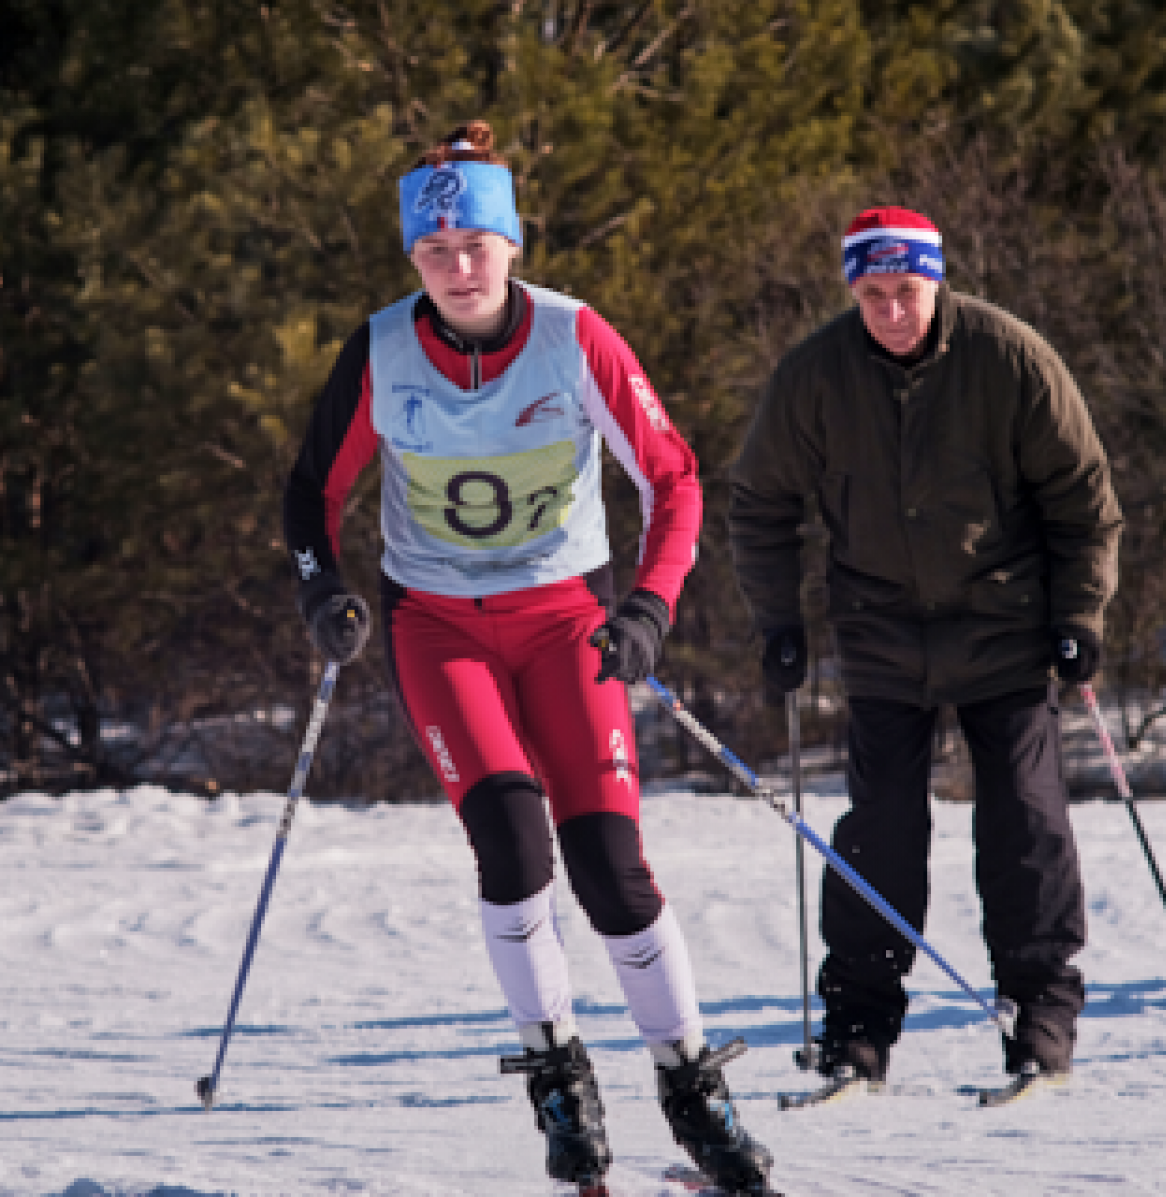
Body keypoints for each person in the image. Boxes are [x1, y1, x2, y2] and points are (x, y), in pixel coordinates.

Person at [282, 121, 775, 1194]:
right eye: (435, 251)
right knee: (511, 846)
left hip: (566, 622)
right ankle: (557, 1073)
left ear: (512, 245)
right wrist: (324, 590)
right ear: (413, 259)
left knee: (608, 865)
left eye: (476, 247)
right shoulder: (380, 348)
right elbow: (311, 491)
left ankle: (690, 1082)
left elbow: (675, 480)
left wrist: (647, 606)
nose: (459, 270)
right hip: (441, 626)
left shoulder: (573, 335)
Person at [728, 206, 1122, 1088]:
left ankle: (1040, 1013)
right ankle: (859, 1025)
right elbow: (759, 503)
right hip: (879, 628)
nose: (891, 312)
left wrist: (1080, 614)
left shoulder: (1009, 356)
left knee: (1024, 816)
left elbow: (1082, 496)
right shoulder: (815, 374)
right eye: (872, 294)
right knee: (882, 829)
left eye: (906, 291)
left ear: (936, 281)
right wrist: (779, 619)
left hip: (1004, 620)